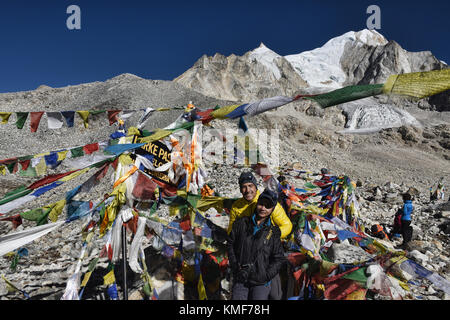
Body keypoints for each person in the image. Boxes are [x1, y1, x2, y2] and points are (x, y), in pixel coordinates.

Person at [227, 188, 286, 300]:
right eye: (261, 204)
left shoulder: (273, 232)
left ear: (272, 209)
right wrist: (235, 265)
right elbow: (230, 244)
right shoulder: (241, 224)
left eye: (267, 206)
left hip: (261, 282)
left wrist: (266, 275)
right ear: (257, 203)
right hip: (241, 277)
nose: (263, 208)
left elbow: (279, 258)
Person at [227, 171, 292, 239]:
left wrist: (271, 235)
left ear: (256, 187)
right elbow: (231, 230)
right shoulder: (236, 206)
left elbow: (287, 225)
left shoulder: (268, 201)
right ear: (240, 190)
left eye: (250, 186)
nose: (248, 190)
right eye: (244, 187)